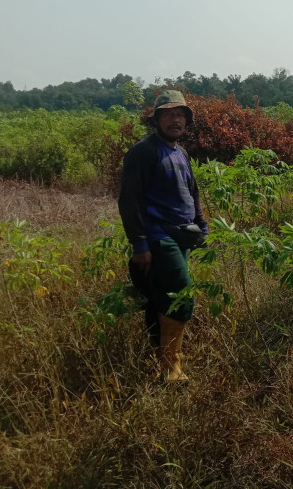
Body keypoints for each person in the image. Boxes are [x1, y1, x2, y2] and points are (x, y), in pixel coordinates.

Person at [118, 90, 208, 383]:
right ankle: (172, 367)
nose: (175, 120)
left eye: (180, 114)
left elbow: (193, 193)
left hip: (183, 237)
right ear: (155, 119)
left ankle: (162, 357)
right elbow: (128, 201)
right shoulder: (144, 151)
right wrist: (140, 244)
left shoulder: (180, 152)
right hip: (159, 237)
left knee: (163, 299)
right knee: (182, 296)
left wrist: (202, 226)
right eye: (168, 114)